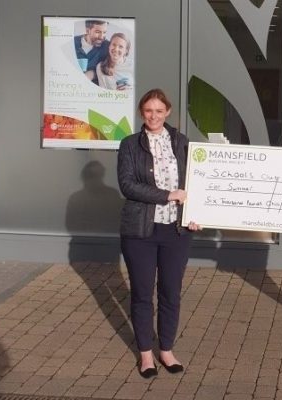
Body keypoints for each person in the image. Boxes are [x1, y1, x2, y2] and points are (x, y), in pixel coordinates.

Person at [117, 88, 201, 378]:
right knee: (142, 294)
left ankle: (165, 349)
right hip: (140, 231)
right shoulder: (129, 144)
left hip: (176, 232)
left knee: (170, 293)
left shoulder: (181, 143)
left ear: (168, 112)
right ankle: (145, 355)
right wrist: (168, 194)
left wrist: (196, 214)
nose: (153, 116)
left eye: (159, 111)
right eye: (148, 110)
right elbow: (127, 185)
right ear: (142, 112)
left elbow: (196, 181)